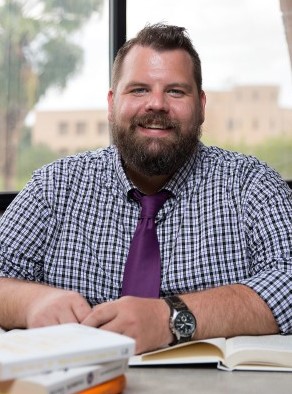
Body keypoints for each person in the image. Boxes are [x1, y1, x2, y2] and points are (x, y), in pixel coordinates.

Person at [0, 23, 291, 355]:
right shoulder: (54, 186)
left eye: (175, 91)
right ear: (112, 104)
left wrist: (172, 317)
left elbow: (289, 278)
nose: (156, 104)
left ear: (201, 106)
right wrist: (31, 302)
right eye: (138, 89)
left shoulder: (251, 184)